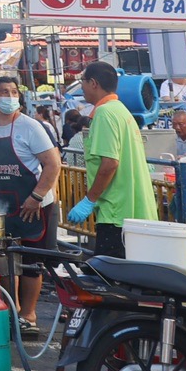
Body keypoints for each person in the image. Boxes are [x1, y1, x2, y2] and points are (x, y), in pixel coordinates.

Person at [0, 76, 61, 333]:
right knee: (5, 258)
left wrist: (37, 197)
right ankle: (11, 310)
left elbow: (53, 164)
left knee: (30, 262)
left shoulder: (31, 127)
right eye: (4, 92)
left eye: (14, 91)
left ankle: (28, 316)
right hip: (2, 202)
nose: (10, 96)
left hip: (34, 204)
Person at [67, 60, 159, 257]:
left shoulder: (105, 113)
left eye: (81, 81)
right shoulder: (120, 110)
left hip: (116, 213)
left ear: (93, 83)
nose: (81, 87)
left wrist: (88, 200)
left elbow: (110, 163)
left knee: (110, 280)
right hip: (132, 211)